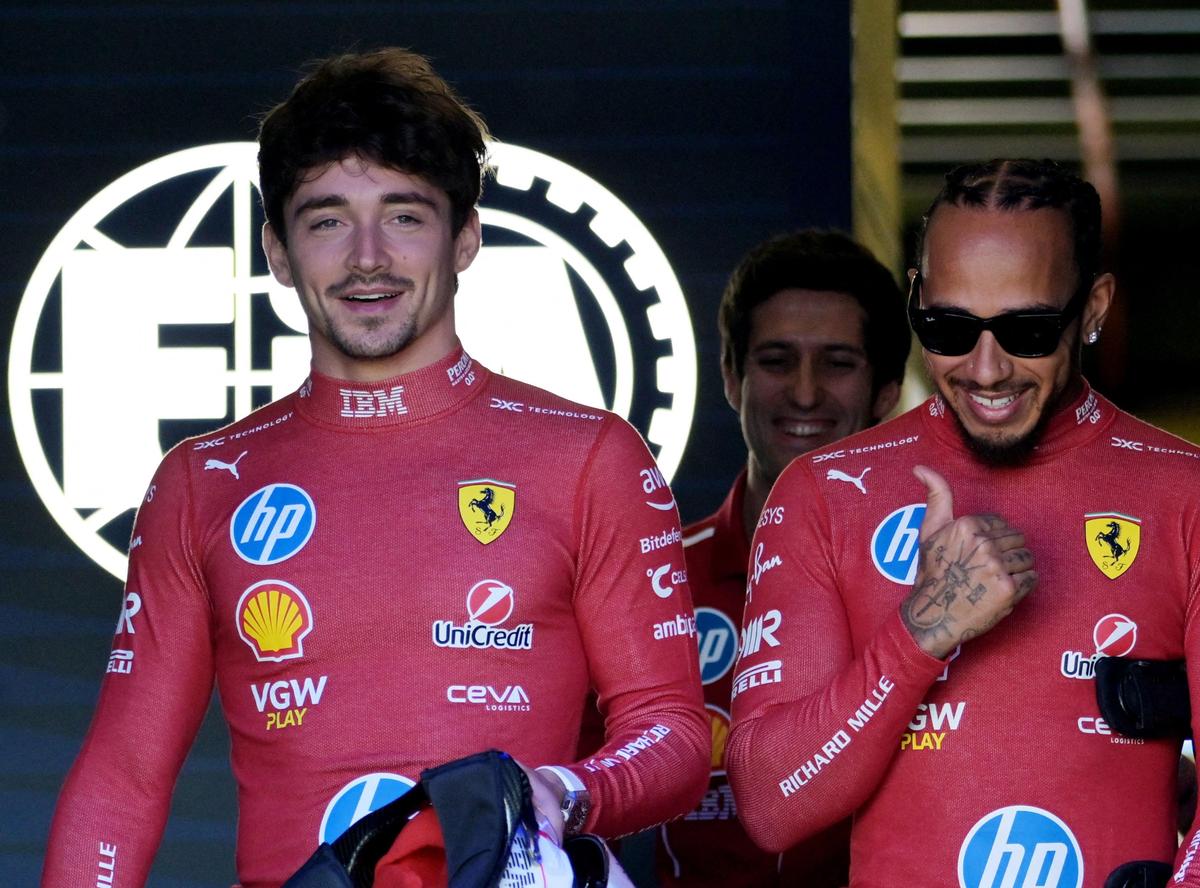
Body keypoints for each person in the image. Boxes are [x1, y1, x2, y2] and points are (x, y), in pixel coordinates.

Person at [41, 48, 708, 888]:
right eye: (326, 221)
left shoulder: (588, 455)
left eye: (404, 217)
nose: (367, 257)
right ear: (278, 251)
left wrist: (563, 793)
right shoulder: (201, 481)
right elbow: (123, 781)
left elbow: (674, 733)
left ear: (465, 238)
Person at [727, 158, 1200, 886]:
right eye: (948, 327)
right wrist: (922, 633)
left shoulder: (1184, 492)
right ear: (917, 299)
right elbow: (770, 804)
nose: (985, 369)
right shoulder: (825, 492)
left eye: (1028, 331)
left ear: (1094, 308)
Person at [655, 229, 909, 886]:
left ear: (886, 389)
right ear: (731, 378)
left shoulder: (936, 585)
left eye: (837, 363)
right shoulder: (656, 581)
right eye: (776, 361)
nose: (804, 393)